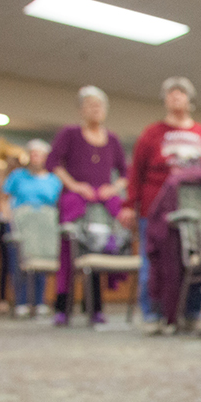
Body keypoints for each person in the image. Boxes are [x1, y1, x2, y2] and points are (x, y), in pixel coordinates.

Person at [121, 76, 201, 333]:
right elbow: (136, 174)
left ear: (190, 100)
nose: (176, 97)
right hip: (155, 210)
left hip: (195, 212)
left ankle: (192, 314)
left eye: (181, 93)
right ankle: (153, 315)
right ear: (165, 100)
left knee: (194, 261)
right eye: (171, 93)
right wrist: (128, 205)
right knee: (153, 260)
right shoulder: (152, 134)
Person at [48, 85, 128, 326]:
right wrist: (74, 185)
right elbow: (53, 162)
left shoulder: (112, 138)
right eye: (91, 105)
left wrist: (112, 188)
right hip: (77, 200)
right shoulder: (70, 133)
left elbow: (125, 173)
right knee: (70, 250)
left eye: (100, 105)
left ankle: (95, 307)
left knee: (106, 244)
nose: (96, 109)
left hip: (104, 202)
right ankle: (63, 307)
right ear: (81, 109)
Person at [0, 138, 61, 318]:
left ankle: (40, 301)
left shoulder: (53, 179)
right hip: (21, 222)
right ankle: (21, 301)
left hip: (45, 224)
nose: (36, 158)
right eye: (33, 154)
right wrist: (7, 218)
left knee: (42, 260)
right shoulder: (17, 176)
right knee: (19, 262)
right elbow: (3, 198)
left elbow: (58, 203)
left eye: (40, 155)